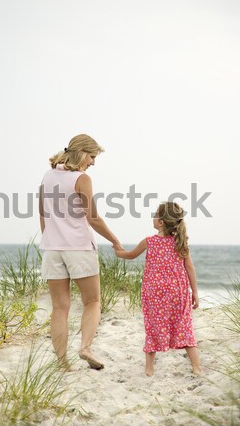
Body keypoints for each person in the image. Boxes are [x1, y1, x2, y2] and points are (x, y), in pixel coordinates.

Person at [39, 134, 123, 370]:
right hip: (78, 247)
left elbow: (43, 215)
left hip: (52, 249)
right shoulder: (81, 178)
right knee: (93, 301)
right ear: (82, 153)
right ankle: (85, 347)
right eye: (92, 156)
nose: (93, 162)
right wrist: (115, 241)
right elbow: (93, 218)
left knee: (59, 307)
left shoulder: (46, 176)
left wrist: (50, 238)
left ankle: (62, 363)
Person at [115, 202, 202, 376]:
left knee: (153, 326)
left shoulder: (149, 241)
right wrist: (195, 293)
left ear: (161, 222)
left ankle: (149, 369)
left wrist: (118, 251)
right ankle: (196, 367)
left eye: (155, 215)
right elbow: (190, 267)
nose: (153, 217)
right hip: (178, 291)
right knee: (184, 327)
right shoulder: (180, 242)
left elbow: (130, 255)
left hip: (154, 293)